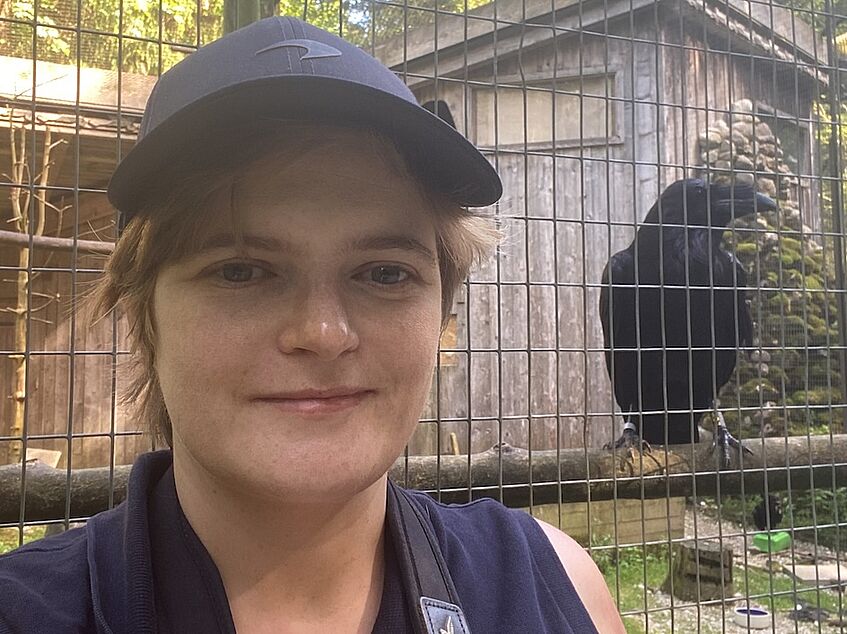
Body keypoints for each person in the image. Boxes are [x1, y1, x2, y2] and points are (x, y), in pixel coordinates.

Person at [0, 16, 625, 634]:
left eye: (383, 274)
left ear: (441, 312)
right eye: (241, 272)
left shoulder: (555, 587)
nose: (323, 333)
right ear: (145, 314)